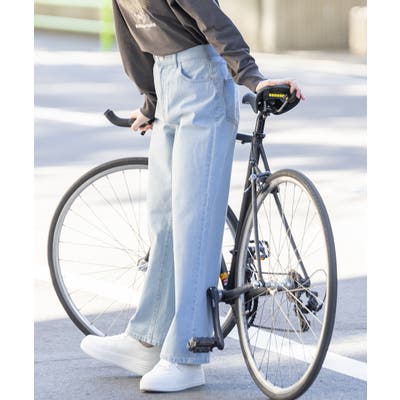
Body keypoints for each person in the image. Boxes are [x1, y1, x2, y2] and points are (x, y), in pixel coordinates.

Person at [80, 0, 305, 393]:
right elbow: (132, 42)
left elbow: (211, 18)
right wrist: (150, 102)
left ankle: (188, 354)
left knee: (192, 221)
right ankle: (147, 340)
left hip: (204, 82)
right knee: (164, 219)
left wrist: (253, 78)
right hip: (167, 82)